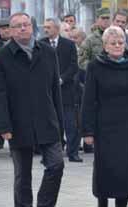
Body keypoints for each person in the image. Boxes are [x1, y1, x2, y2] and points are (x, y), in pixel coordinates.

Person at [0, 12, 64, 207]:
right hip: (18, 122)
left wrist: (60, 124)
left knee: (56, 165)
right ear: (11, 31)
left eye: (26, 24)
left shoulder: (48, 52)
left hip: (47, 120)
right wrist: (4, 126)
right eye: (17, 26)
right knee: (23, 175)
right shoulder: (0, 58)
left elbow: (55, 90)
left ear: (32, 27)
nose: (22, 28)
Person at [81, 26, 128, 207]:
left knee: (125, 171)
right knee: (105, 170)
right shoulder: (95, 66)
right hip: (104, 126)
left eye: (121, 42)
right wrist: (87, 130)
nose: (118, 46)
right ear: (105, 46)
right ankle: (102, 203)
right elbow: (88, 100)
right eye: (113, 43)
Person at [41, 18, 82, 162]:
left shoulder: (69, 45)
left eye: (49, 27)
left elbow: (73, 66)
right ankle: (50, 154)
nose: (46, 30)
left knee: (71, 124)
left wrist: (62, 79)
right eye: (45, 27)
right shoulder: (41, 44)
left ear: (57, 29)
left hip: (66, 91)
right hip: (47, 92)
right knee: (50, 125)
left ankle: (73, 152)